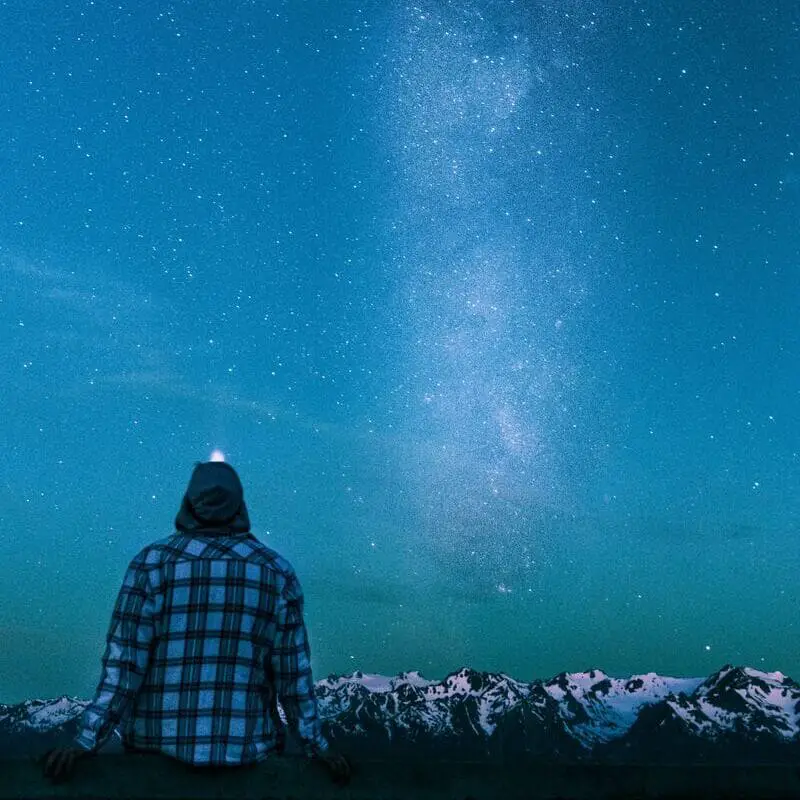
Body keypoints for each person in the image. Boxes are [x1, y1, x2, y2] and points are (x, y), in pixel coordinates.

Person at [41, 459, 351, 786]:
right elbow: (293, 674)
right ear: (240, 506)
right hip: (249, 763)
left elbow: (124, 665)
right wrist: (316, 745)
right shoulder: (276, 573)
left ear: (188, 504)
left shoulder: (151, 565)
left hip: (155, 763)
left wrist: (86, 740)